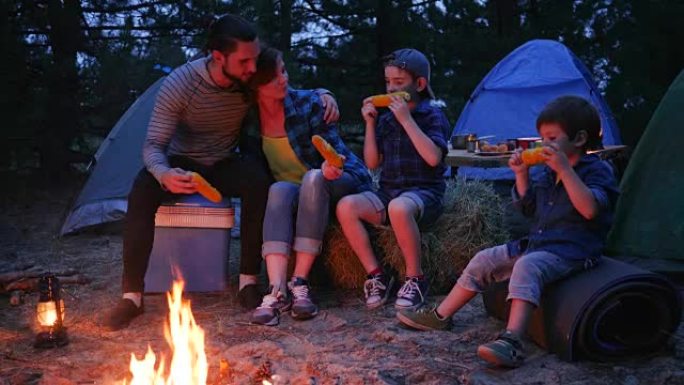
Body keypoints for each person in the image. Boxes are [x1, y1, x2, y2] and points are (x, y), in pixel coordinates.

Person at [104, 14, 339, 331]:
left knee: (258, 182)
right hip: (182, 160)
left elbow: (287, 91)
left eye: (254, 59)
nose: (252, 68)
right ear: (218, 57)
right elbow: (153, 145)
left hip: (224, 161)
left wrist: (326, 93)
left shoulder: (247, 80)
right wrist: (164, 174)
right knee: (142, 190)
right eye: (244, 61)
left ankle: (248, 281)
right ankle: (132, 295)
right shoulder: (181, 84)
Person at [396, 95, 620, 368]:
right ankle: (440, 316)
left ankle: (512, 341)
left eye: (551, 138)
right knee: (484, 259)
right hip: (540, 243)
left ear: (579, 139)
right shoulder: (548, 174)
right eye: (542, 139)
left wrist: (565, 169)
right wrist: (521, 175)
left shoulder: (598, 170)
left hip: (574, 250)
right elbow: (528, 210)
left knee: (527, 267)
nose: (544, 145)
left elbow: (590, 210)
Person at [245, 47, 372, 326]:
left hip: (339, 178)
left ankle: (300, 283)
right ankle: (277, 291)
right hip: (293, 190)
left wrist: (330, 166)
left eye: (284, 71)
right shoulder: (249, 120)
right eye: (272, 77)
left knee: (314, 178)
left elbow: (336, 157)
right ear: (255, 85)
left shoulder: (308, 104)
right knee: (278, 189)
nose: (283, 79)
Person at [336, 48, 451, 311]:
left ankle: (415, 278)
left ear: (419, 84)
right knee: (346, 206)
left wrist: (407, 119)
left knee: (399, 208)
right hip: (389, 192)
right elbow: (372, 163)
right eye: (388, 83)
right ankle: (377, 275)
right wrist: (369, 124)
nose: (390, 89)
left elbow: (434, 158)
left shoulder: (433, 116)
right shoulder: (386, 120)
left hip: (424, 195)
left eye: (398, 83)